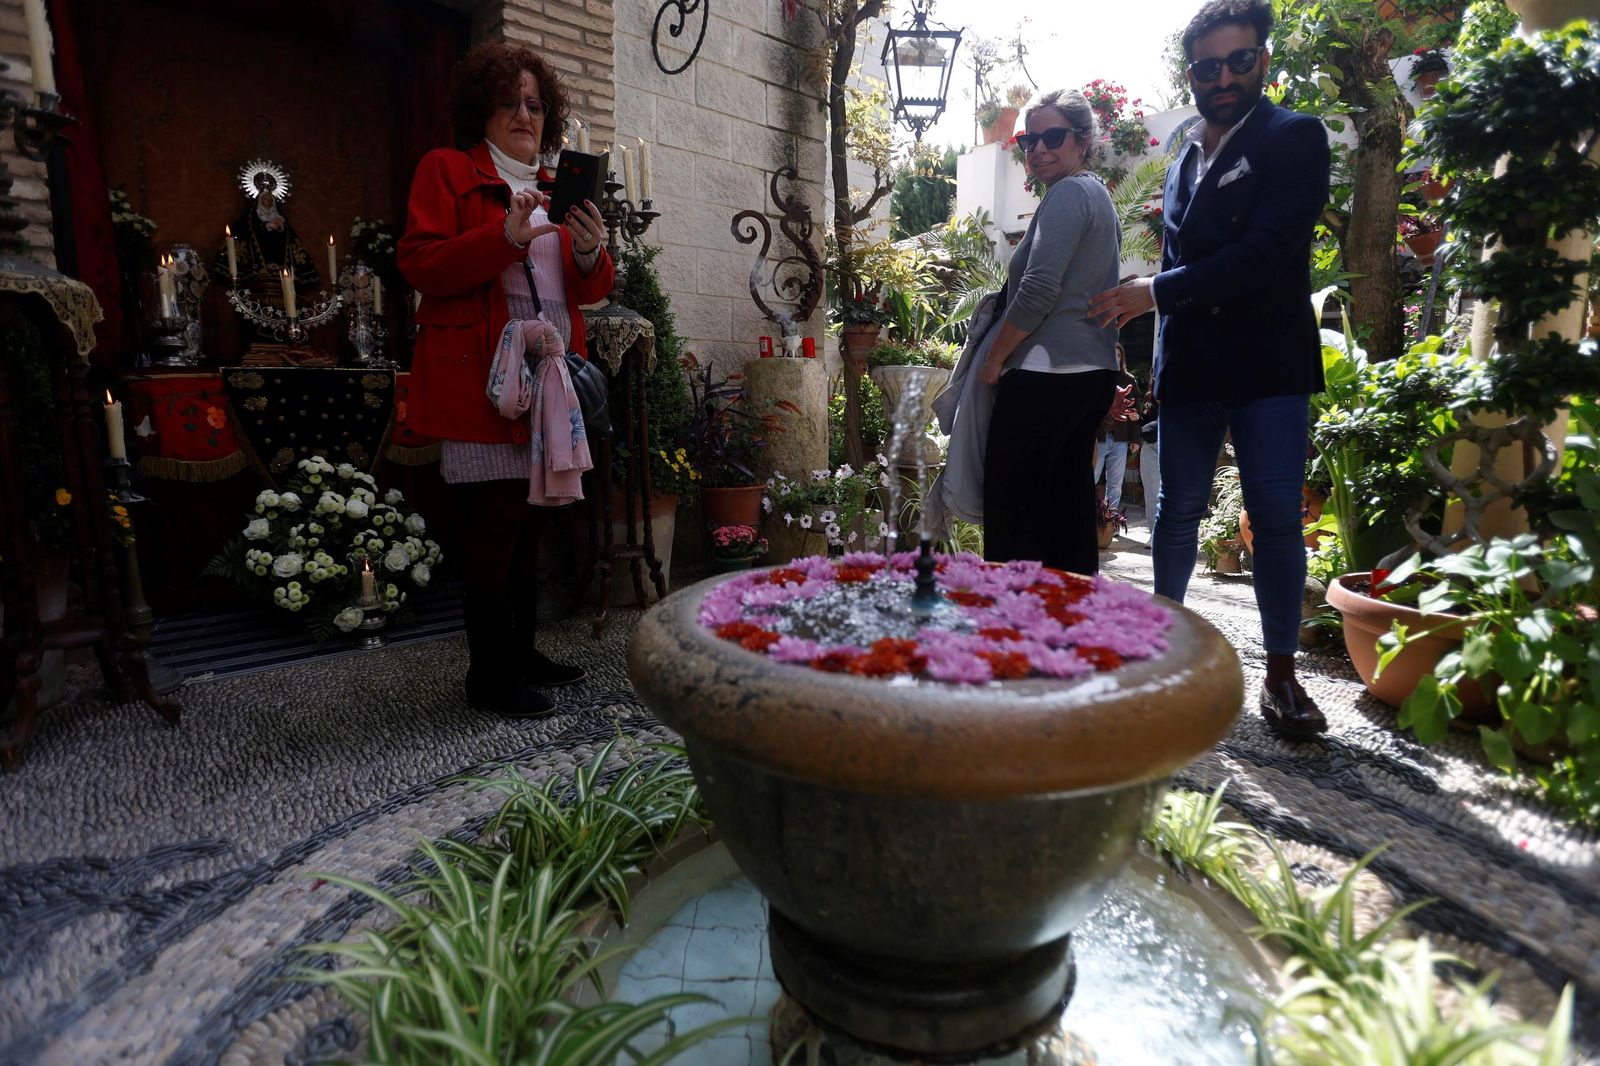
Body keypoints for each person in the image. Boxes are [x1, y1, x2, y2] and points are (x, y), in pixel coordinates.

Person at [1087, 0, 1331, 738]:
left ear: (1263, 59)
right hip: (1191, 366)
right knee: (1175, 511)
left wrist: (1152, 296)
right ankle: (1169, 646)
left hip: (1269, 364)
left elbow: (1264, 254)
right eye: (1207, 65)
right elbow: (1175, 257)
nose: (1223, 76)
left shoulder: (1295, 137)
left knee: (1277, 519)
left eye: (1239, 60)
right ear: (1188, 72)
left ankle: (1282, 676)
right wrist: (1157, 364)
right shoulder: (1187, 154)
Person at [399, 41, 612, 718]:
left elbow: (589, 289)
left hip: (549, 378)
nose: (524, 113)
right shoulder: (448, 171)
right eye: (509, 101)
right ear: (481, 111)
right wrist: (506, 237)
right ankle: (487, 676)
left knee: (529, 526)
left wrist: (588, 250)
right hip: (482, 380)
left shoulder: (557, 190)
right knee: (493, 527)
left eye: (534, 102)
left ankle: (519, 654)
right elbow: (423, 264)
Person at [977, 89, 1121, 576]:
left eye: (1052, 137)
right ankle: (1068, 631)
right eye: (1028, 140)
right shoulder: (1095, 194)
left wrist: (995, 359)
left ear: (1082, 140)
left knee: (1014, 513)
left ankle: (1010, 635)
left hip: (1045, 371)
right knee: (1065, 511)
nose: (1038, 149)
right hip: (1084, 373)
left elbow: (1038, 289)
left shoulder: (1068, 194)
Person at [1093, 344, 1141, 517]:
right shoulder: (1097, 377)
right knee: (1091, 477)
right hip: (1099, 438)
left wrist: (1135, 439)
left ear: (1122, 358)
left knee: (1115, 483)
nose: (1115, 358)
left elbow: (1136, 410)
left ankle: (1111, 519)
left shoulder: (1129, 380)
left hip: (1119, 438)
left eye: (1118, 355)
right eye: (1112, 354)